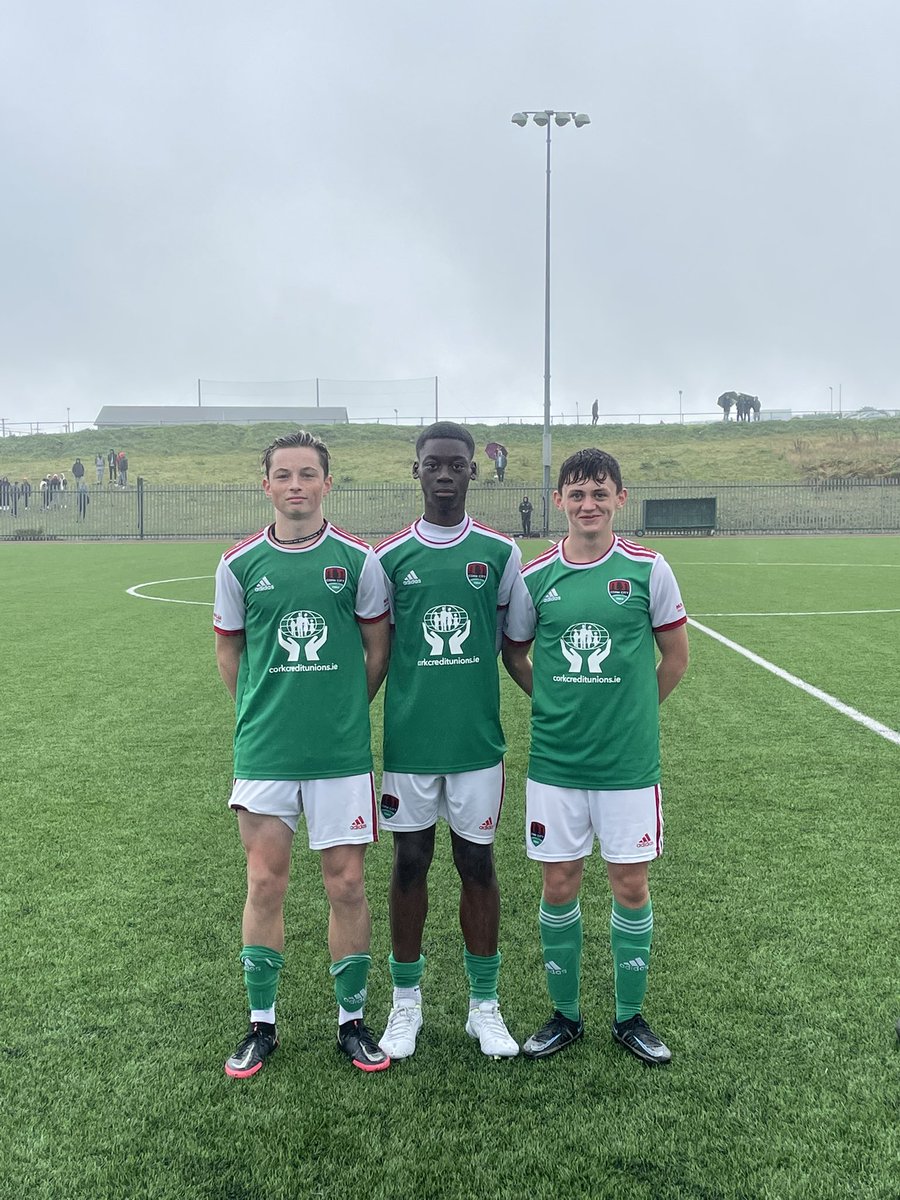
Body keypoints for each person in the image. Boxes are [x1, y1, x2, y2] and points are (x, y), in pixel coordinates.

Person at [214, 430, 392, 1077]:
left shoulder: (358, 560)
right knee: (265, 881)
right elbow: (230, 652)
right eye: (284, 475)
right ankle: (261, 1024)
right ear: (266, 485)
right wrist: (261, 712)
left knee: (347, 883)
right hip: (265, 753)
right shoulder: (238, 564)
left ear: (326, 483)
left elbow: (377, 649)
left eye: (307, 474)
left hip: (339, 755)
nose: (296, 485)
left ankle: (352, 1022)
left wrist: (342, 709)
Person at [502, 447, 689, 1066]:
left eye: (600, 493)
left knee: (629, 883)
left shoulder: (647, 569)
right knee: (559, 882)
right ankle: (565, 1015)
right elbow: (516, 653)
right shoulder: (536, 577)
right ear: (559, 500)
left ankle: (629, 1017)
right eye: (577, 494)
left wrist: (632, 713)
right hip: (556, 764)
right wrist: (553, 703)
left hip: (627, 766)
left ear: (619, 499)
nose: (588, 504)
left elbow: (675, 659)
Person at [376, 421, 523, 1061]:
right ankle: (405, 1004)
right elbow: (377, 648)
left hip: (475, 743)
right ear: (416, 471)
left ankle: (483, 1006)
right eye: (432, 464)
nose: (444, 474)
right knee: (410, 863)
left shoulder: (500, 553)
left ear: (472, 471)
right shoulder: (388, 559)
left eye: (455, 464)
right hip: (410, 742)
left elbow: (514, 643)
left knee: (477, 865)